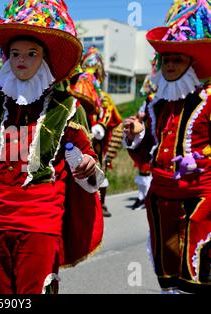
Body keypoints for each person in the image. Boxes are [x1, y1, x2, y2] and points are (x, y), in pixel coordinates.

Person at [0, 0, 104, 294]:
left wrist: (88, 164)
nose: (22, 60)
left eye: (32, 54)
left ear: (45, 59)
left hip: (40, 220)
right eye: (15, 53)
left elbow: (87, 157)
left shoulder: (66, 106)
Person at [123, 0, 211, 294]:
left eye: (177, 60)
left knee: (196, 263)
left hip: (199, 194)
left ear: (191, 64)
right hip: (161, 197)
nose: (170, 65)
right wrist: (135, 136)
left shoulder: (208, 100)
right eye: (166, 60)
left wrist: (200, 159)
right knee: (167, 264)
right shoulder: (154, 104)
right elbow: (145, 151)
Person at [82, 46, 123, 217]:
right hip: (80, 138)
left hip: (98, 141)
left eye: (95, 72)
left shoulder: (104, 96)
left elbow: (109, 114)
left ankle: (102, 203)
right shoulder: (79, 92)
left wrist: (101, 126)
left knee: (99, 168)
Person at [130, 75, 157, 210]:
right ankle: (142, 197)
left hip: (154, 138)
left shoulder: (156, 99)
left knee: (148, 167)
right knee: (143, 167)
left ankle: (147, 197)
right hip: (146, 138)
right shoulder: (149, 99)